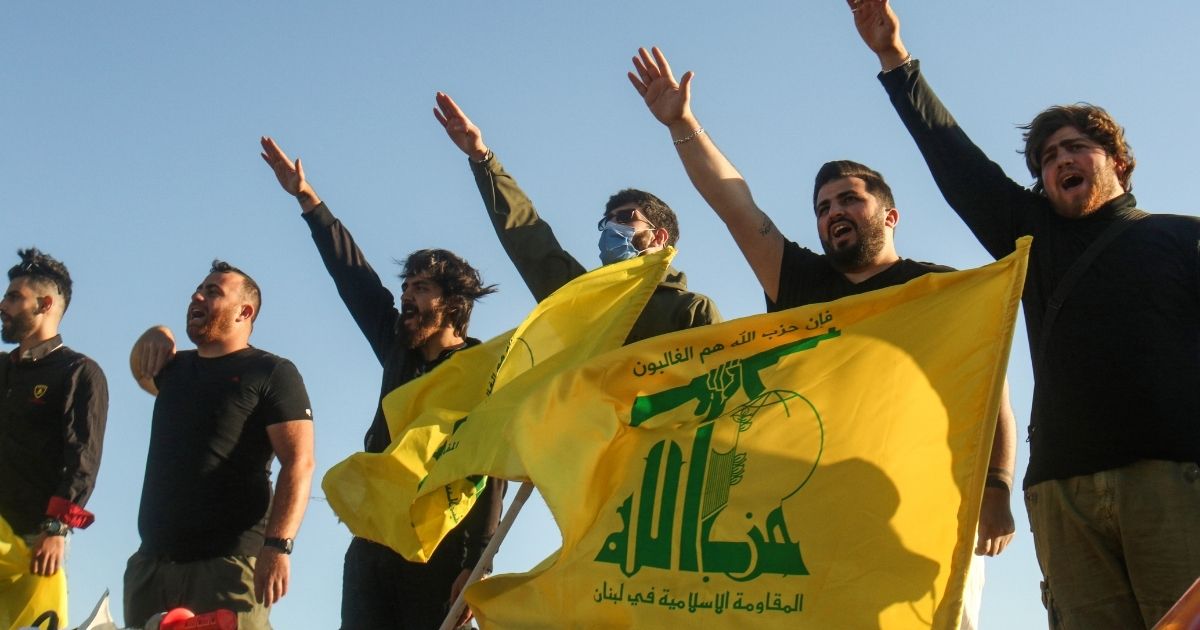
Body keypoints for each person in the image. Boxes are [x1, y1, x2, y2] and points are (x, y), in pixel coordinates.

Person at [628, 47, 1017, 628]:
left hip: (923, 513)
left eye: (850, 200)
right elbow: (735, 205)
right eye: (823, 206)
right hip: (814, 518)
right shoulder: (800, 281)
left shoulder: (941, 290)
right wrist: (683, 124)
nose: (834, 211)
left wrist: (997, 487)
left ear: (889, 215)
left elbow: (991, 393)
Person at [848, 1, 1200, 627]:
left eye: (1076, 148)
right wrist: (893, 59)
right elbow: (953, 157)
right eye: (1046, 157)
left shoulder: (1182, 238)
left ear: (1117, 160)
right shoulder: (1031, 239)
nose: (1060, 160)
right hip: (1063, 491)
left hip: (1172, 480)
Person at [259, 136, 505, 630]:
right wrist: (310, 203)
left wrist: (478, 564)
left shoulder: (482, 368)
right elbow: (356, 281)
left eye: (421, 288)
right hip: (373, 543)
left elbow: (490, 467)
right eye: (406, 287)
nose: (408, 298)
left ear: (453, 303)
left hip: (438, 548)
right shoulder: (399, 349)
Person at [432, 92, 721, 342]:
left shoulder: (691, 311)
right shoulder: (583, 301)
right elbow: (530, 239)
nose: (611, 227)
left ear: (659, 235)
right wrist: (483, 159)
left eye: (624, 218)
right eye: (606, 221)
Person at [125, 261, 316, 630]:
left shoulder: (271, 371)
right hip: (151, 566)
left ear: (244, 311)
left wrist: (278, 547)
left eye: (213, 292)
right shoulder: (174, 370)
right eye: (198, 289)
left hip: (228, 567)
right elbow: (140, 369)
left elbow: (299, 461)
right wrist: (155, 333)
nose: (197, 295)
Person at [0, 248, 108, 580]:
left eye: (14, 298)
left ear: (45, 305)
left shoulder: (79, 372)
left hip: (33, 541)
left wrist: (57, 528)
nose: (3, 306)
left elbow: (82, 460)